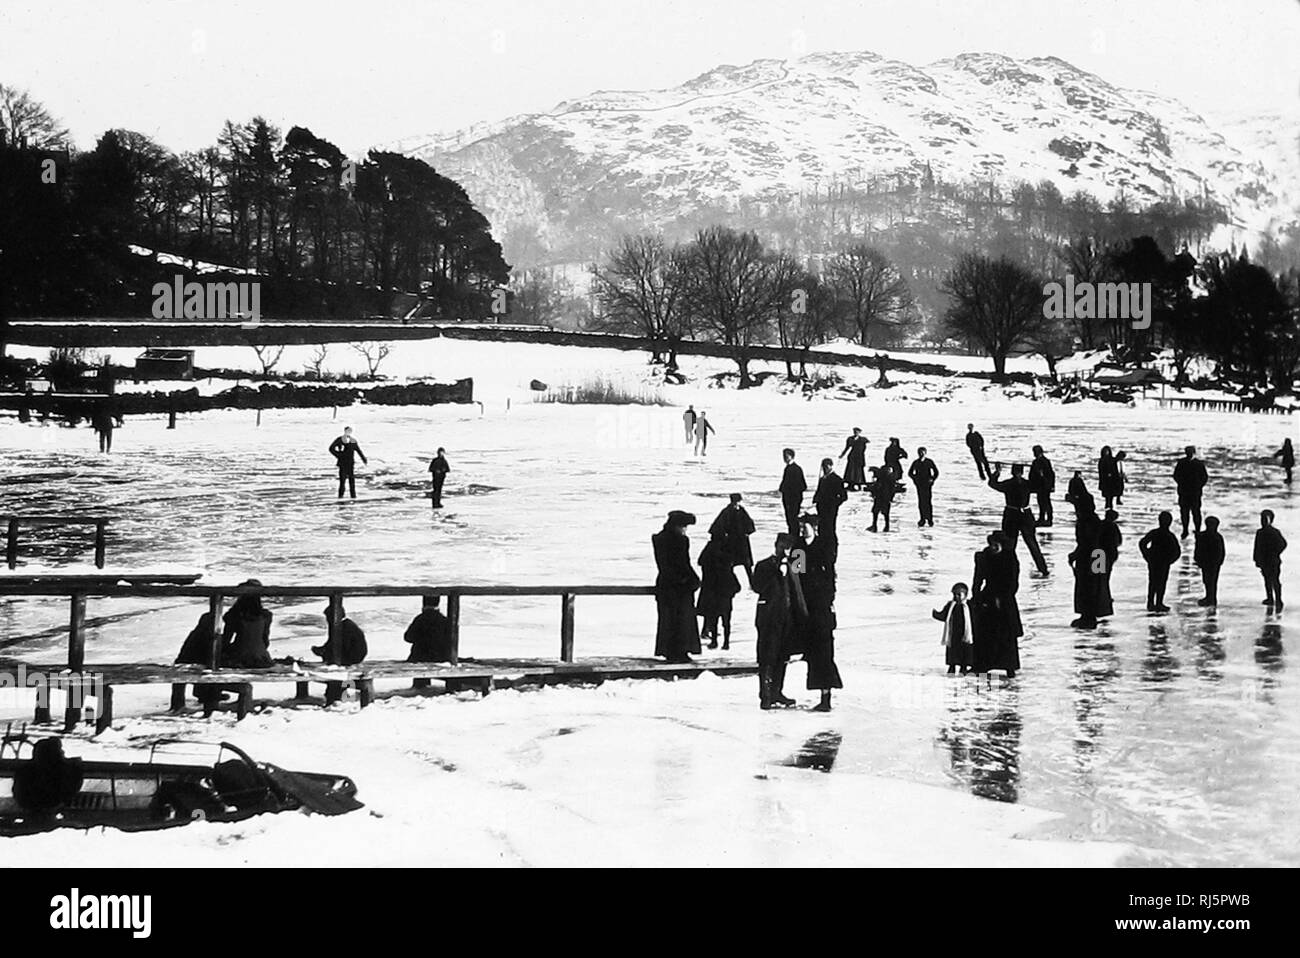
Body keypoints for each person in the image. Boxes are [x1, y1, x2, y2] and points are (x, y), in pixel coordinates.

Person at [752, 533, 804, 709]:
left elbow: (800, 587)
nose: (785, 551)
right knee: (767, 656)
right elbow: (757, 586)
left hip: (788, 618)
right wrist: (776, 572)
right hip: (769, 617)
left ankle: (777, 691)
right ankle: (765, 695)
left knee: (782, 656)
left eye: (788, 547)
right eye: (782, 546)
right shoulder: (763, 565)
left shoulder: (794, 565)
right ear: (775, 545)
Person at [797, 515, 841, 711]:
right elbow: (796, 576)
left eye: (804, 526)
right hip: (804, 606)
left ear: (814, 527)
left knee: (823, 651)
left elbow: (830, 576)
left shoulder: (822, 546)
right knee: (812, 652)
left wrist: (829, 599)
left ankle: (826, 696)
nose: (801, 530)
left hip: (821, 606)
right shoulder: (799, 548)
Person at [652, 510, 702, 663]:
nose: (684, 530)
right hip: (680, 587)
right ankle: (680, 651)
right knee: (682, 621)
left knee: (668, 620)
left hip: (666, 585)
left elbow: (665, 565)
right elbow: (683, 563)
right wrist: (691, 580)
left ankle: (669, 651)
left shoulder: (659, 539)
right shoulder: (680, 541)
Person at [971, 531, 1021, 678]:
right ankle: (983, 665)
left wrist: (1003, 597)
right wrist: (976, 596)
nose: (993, 547)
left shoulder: (1009, 558)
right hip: (988, 598)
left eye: (996, 545)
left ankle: (1008, 666)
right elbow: (978, 578)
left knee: (1006, 635)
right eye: (991, 544)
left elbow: (1013, 582)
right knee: (985, 633)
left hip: (1005, 600)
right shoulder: (984, 557)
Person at [987, 463, 1048, 575]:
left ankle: (1008, 570)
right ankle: (1043, 570)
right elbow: (1042, 486)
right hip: (1025, 515)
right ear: (1022, 472)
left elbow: (992, 483)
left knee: (1009, 545)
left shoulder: (1008, 484)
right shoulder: (1027, 484)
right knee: (1032, 544)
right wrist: (1040, 474)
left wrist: (997, 472)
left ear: (1012, 472)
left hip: (1012, 515)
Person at [12, 738, 84, 814]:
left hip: (28, 806)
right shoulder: (61, 771)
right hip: (51, 805)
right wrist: (77, 766)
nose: (63, 752)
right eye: (60, 750)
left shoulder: (25, 770)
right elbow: (72, 786)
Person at [1068, 496, 1108, 629]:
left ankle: (1088, 615)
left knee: (1086, 585)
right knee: (1098, 584)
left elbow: (1085, 542)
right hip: (1099, 555)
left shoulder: (1084, 521)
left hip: (1089, 556)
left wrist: (1075, 555)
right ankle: (1094, 612)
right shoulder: (1095, 519)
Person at [697, 530, 741, 650]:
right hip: (724, 594)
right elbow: (736, 585)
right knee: (726, 620)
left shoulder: (709, 551)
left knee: (713, 618)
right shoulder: (726, 556)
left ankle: (714, 640)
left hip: (711, 590)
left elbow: (700, 562)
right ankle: (726, 642)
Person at [1138, 511, 1181, 613]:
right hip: (1161, 561)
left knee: (1153, 582)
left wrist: (1147, 554)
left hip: (1155, 560)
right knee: (1160, 582)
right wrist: (1171, 560)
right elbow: (1177, 551)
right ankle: (1157, 602)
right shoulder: (1169, 535)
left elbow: (1142, 543)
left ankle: (1153, 602)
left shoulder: (1155, 533)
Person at [709, 494, 755, 583]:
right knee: (731, 563)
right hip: (732, 541)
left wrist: (747, 532)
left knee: (745, 563)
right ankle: (730, 582)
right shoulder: (727, 511)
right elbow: (718, 527)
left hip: (741, 540)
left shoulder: (740, 510)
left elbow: (749, 523)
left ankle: (752, 582)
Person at [933, 582, 975, 675]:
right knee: (953, 652)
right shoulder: (950, 605)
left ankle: (963, 667)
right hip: (953, 634)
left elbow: (975, 618)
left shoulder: (969, 606)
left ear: (965, 594)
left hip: (965, 634)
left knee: (965, 651)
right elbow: (944, 615)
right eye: (955, 594)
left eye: (959, 594)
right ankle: (952, 666)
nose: (957, 597)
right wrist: (936, 614)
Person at [1253, 510, 1287, 609]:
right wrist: (1256, 559)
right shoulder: (1261, 532)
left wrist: (1275, 553)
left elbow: (1283, 544)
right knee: (1268, 579)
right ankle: (1271, 598)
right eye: (1262, 519)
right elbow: (1257, 547)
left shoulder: (1272, 532)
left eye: (1264, 519)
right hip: (1267, 560)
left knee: (1274, 579)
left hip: (1271, 560)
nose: (1262, 521)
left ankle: (1277, 599)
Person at [405, 595, 453, 662]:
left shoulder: (420, 619)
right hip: (440, 658)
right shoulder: (444, 620)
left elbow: (408, 637)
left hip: (419, 657)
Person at [1173, 446, 1208, 537]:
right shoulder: (1183, 463)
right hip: (1186, 491)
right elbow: (1176, 476)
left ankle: (1197, 529)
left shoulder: (1198, 464)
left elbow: (1204, 478)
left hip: (1194, 492)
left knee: (1195, 512)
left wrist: (1198, 486)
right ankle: (1185, 529)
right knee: (1185, 512)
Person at [812, 458, 848, 543]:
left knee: (830, 529)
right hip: (821, 508)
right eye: (824, 467)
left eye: (827, 467)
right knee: (822, 529)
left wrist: (834, 504)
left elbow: (844, 496)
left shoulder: (837, 479)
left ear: (831, 466)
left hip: (831, 509)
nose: (825, 469)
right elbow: (819, 491)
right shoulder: (822, 479)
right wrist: (816, 499)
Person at [1194, 516, 1225, 608]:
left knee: (1210, 580)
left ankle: (1210, 597)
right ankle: (1210, 597)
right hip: (1211, 563)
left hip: (1210, 562)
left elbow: (1198, 549)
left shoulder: (1204, 536)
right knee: (1209, 580)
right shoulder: (1217, 536)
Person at [329, 426, 368, 499]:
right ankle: (340, 497)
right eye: (347, 431)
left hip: (350, 463)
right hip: (342, 463)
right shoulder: (340, 440)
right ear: (345, 431)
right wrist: (339, 455)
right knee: (342, 482)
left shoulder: (353, 440)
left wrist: (364, 459)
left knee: (351, 482)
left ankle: (353, 497)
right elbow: (331, 448)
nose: (348, 432)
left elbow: (358, 450)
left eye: (350, 431)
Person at [1099, 508, 1122, 618]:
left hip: (1098, 553)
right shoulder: (1113, 527)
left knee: (1098, 575)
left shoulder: (1100, 525)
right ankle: (1105, 595)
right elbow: (1119, 541)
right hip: (1110, 553)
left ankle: (1099, 595)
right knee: (1106, 575)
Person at [908, 447, 939, 527]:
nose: (921, 454)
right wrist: (915, 479)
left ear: (925, 453)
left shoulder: (929, 462)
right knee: (921, 502)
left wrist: (932, 479)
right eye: (920, 452)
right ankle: (922, 519)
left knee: (928, 502)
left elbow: (936, 472)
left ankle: (930, 519)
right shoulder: (916, 462)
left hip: (927, 484)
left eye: (922, 452)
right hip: (919, 484)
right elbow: (910, 473)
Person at [779, 448, 807, 538]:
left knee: (793, 519)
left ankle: (794, 537)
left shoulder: (796, 469)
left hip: (793, 498)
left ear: (791, 457)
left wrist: (793, 494)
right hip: (788, 498)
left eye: (786, 456)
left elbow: (802, 485)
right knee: (790, 519)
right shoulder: (788, 468)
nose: (785, 458)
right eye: (784, 456)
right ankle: (793, 535)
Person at [866, 466, 902, 533]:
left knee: (876, 511)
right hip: (886, 497)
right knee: (885, 512)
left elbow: (876, 487)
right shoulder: (890, 478)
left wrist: (873, 493)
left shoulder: (881, 478)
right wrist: (891, 497)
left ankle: (875, 526)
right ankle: (886, 527)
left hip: (880, 497)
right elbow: (892, 489)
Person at [1028, 445, 1055, 527]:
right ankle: (1042, 518)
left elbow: (1051, 474)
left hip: (1044, 485)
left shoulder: (1045, 462)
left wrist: (1051, 485)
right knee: (1041, 502)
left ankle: (1049, 519)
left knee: (1046, 502)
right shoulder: (1036, 462)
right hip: (1039, 486)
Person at [1098, 446, 1125, 512]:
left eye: (1107, 451)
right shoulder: (1102, 460)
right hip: (1105, 480)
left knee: (1111, 495)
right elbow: (1101, 471)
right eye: (1105, 451)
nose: (1106, 453)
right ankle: (1108, 508)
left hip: (1112, 480)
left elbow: (1116, 466)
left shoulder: (1111, 459)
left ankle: (1111, 507)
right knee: (1108, 497)